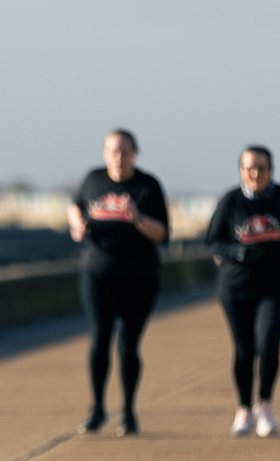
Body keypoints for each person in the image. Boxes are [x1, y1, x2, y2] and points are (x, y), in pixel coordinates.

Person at [205, 146, 280, 437]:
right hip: (236, 286)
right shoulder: (230, 201)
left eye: (261, 168)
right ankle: (243, 408)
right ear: (241, 170)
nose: (255, 174)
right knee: (244, 350)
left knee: (267, 345)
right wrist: (236, 252)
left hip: (277, 285)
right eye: (249, 168)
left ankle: (264, 405)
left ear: (271, 170)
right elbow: (212, 240)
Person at [66, 129, 169, 437]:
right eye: (113, 150)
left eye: (124, 151)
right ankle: (97, 409)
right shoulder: (93, 179)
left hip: (139, 277)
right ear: (104, 153)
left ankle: (128, 412)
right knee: (100, 339)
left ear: (134, 153)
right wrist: (76, 224)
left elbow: (162, 234)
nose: (119, 157)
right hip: (98, 274)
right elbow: (75, 205)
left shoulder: (147, 186)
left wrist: (136, 217)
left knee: (128, 345)